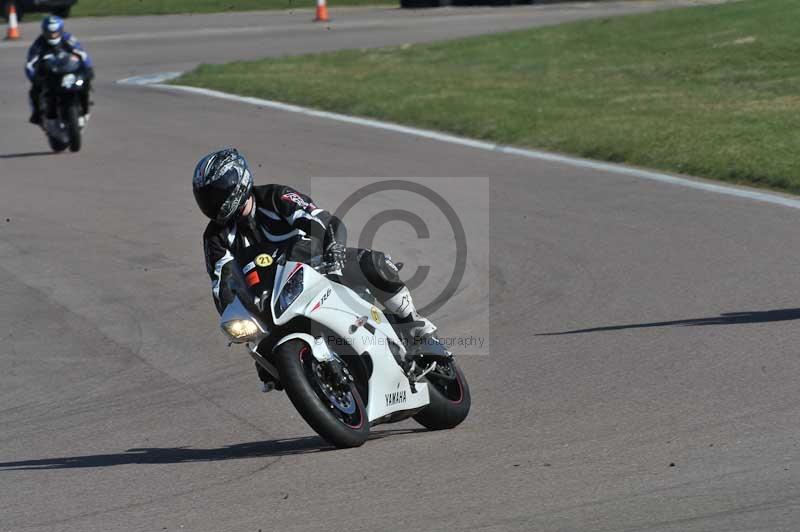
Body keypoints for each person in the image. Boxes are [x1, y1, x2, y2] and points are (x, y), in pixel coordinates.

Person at [192, 148, 438, 389]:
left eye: (216, 194)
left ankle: (416, 328)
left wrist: (334, 247)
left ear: (238, 182)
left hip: (317, 266)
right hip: (271, 300)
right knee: (267, 366)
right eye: (206, 197)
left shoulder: (275, 197)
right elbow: (221, 284)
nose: (212, 203)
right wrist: (234, 315)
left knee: (374, 265)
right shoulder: (215, 237)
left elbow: (321, 220)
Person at [25, 15, 94, 126]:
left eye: (55, 33)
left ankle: (85, 106)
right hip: (50, 75)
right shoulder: (38, 44)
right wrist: (34, 77)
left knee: (85, 81)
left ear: (60, 30)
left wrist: (88, 67)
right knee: (34, 91)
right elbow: (29, 64)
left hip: (69, 71)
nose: (52, 36)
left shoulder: (68, 39)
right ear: (44, 31)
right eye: (49, 33)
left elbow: (82, 53)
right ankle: (37, 114)